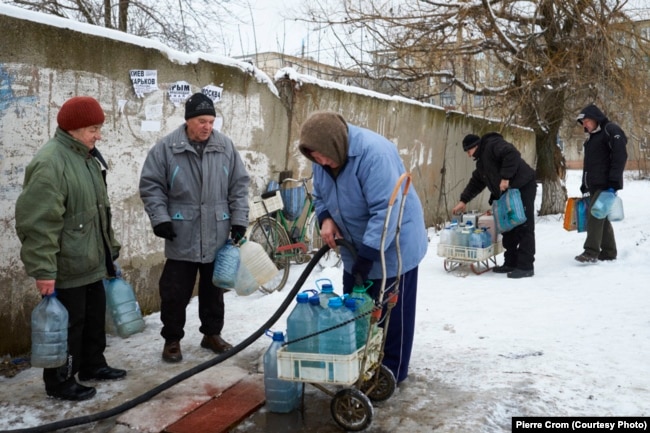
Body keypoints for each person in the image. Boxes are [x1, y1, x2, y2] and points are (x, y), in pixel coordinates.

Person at [298, 111, 428, 384]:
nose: (321, 162)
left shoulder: (374, 155)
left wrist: (367, 258)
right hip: (356, 244)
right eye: (315, 158)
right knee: (358, 310)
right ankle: (361, 364)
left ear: (337, 144)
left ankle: (390, 372)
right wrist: (325, 218)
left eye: (324, 156)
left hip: (394, 243)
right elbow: (320, 195)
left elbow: (386, 210)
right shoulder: (320, 158)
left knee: (392, 312)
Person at [15, 96, 126, 401]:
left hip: (90, 259)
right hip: (66, 266)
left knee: (93, 319)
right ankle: (60, 382)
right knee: (69, 326)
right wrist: (44, 270)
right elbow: (38, 223)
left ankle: (92, 365)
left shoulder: (86, 156)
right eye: (94, 128)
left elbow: (98, 211)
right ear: (75, 128)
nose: (98, 134)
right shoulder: (52, 162)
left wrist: (109, 249)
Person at [139, 92, 250, 363]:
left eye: (211, 121)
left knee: (215, 291)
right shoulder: (167, 148)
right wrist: (160, 218)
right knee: (175, 291)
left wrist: (239, 220)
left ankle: (212, 334)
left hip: (217, 232)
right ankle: (172, 339)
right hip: (182, 233)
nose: (207, 127)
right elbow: (151, 186)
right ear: (188, 120)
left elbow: (239, 186)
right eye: (202, 120)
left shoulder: (225, 147)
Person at [452, 132, 537, 279]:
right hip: (507, 192)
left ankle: (526, 266)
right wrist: (463, 201)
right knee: (508, 227)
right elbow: (476, 183)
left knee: (524, 225)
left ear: (475, 146)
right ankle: (510, 262)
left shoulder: (493, 145)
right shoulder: (481, 163)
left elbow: (512, 154)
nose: (468, 155)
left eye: (468, 151)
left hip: (523, 186)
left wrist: (505, 177)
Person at [574, 104, 628, 263]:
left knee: (595, 214)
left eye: (586, 121)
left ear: (596, 118)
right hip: (594, 183)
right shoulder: (593, 138)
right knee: (601, 216)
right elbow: (589, 165)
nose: (584, 125)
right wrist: (584, 185)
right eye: (582, 123)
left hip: (606, 182)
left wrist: (614, 182)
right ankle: (609, 252)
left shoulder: (610, 130)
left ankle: (591, 251)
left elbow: (620, 156)